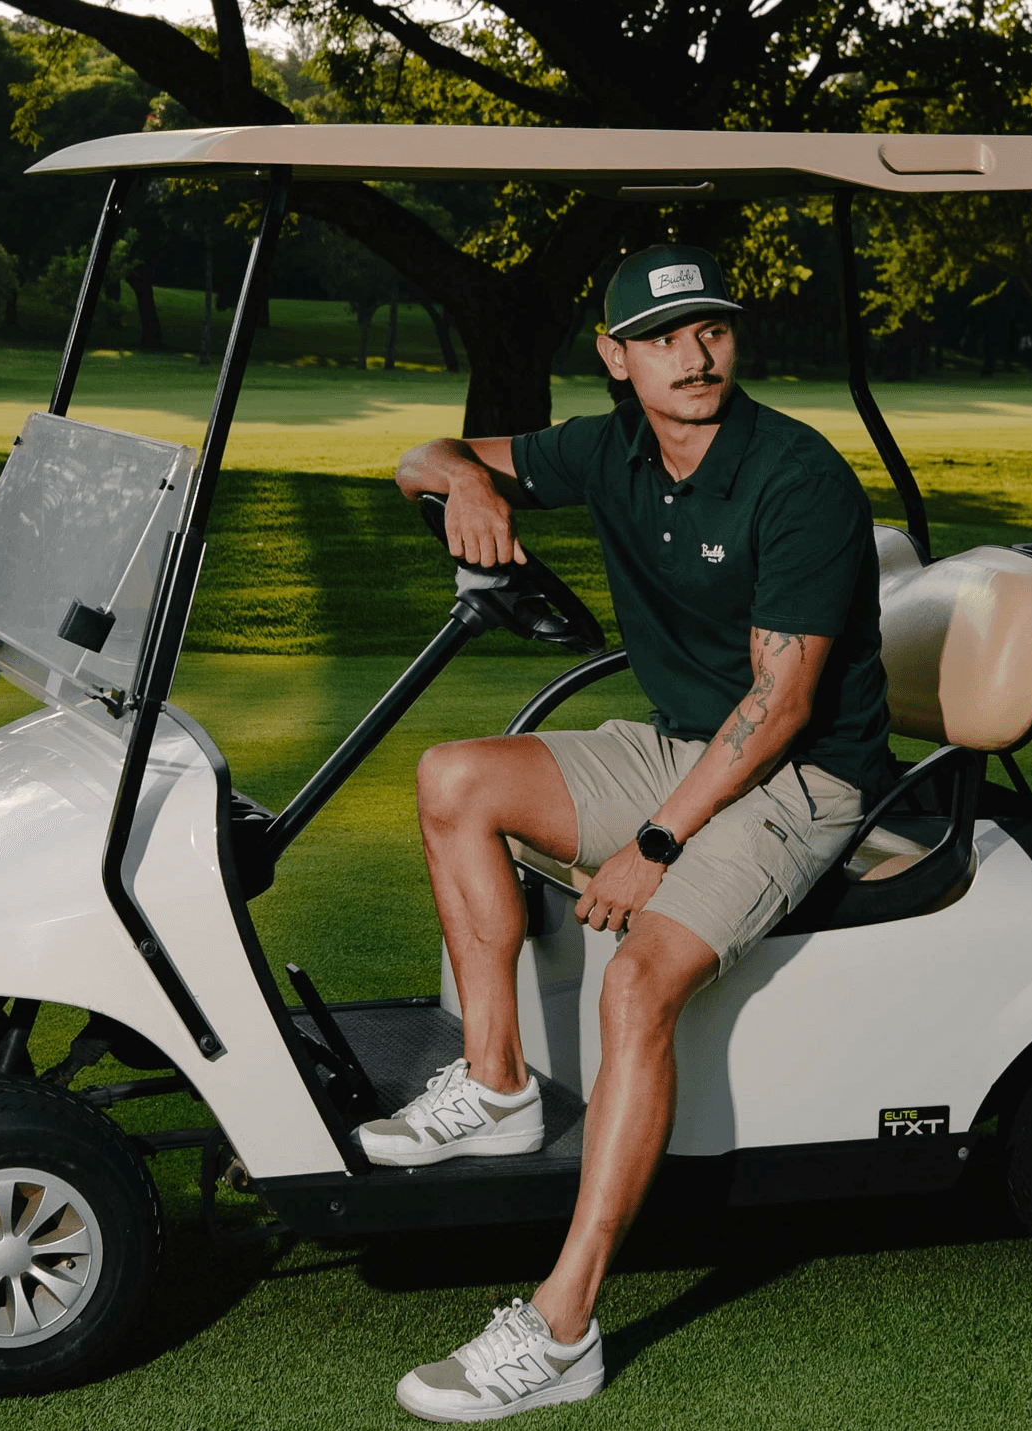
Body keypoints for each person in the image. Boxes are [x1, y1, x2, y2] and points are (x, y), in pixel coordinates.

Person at [378, 244, 891, 1422]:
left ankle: (561, 1328)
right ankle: (499, 1085)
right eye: (662, 336)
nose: (693, 353)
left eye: (709, 328)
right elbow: (423, 455)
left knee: (633, 982)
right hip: (679, 741)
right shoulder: (607, 445)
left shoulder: (793, 476)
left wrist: (652, 846)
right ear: (615, 357)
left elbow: (781, 708)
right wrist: (467, 483)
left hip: (799, 779)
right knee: (454, 777)